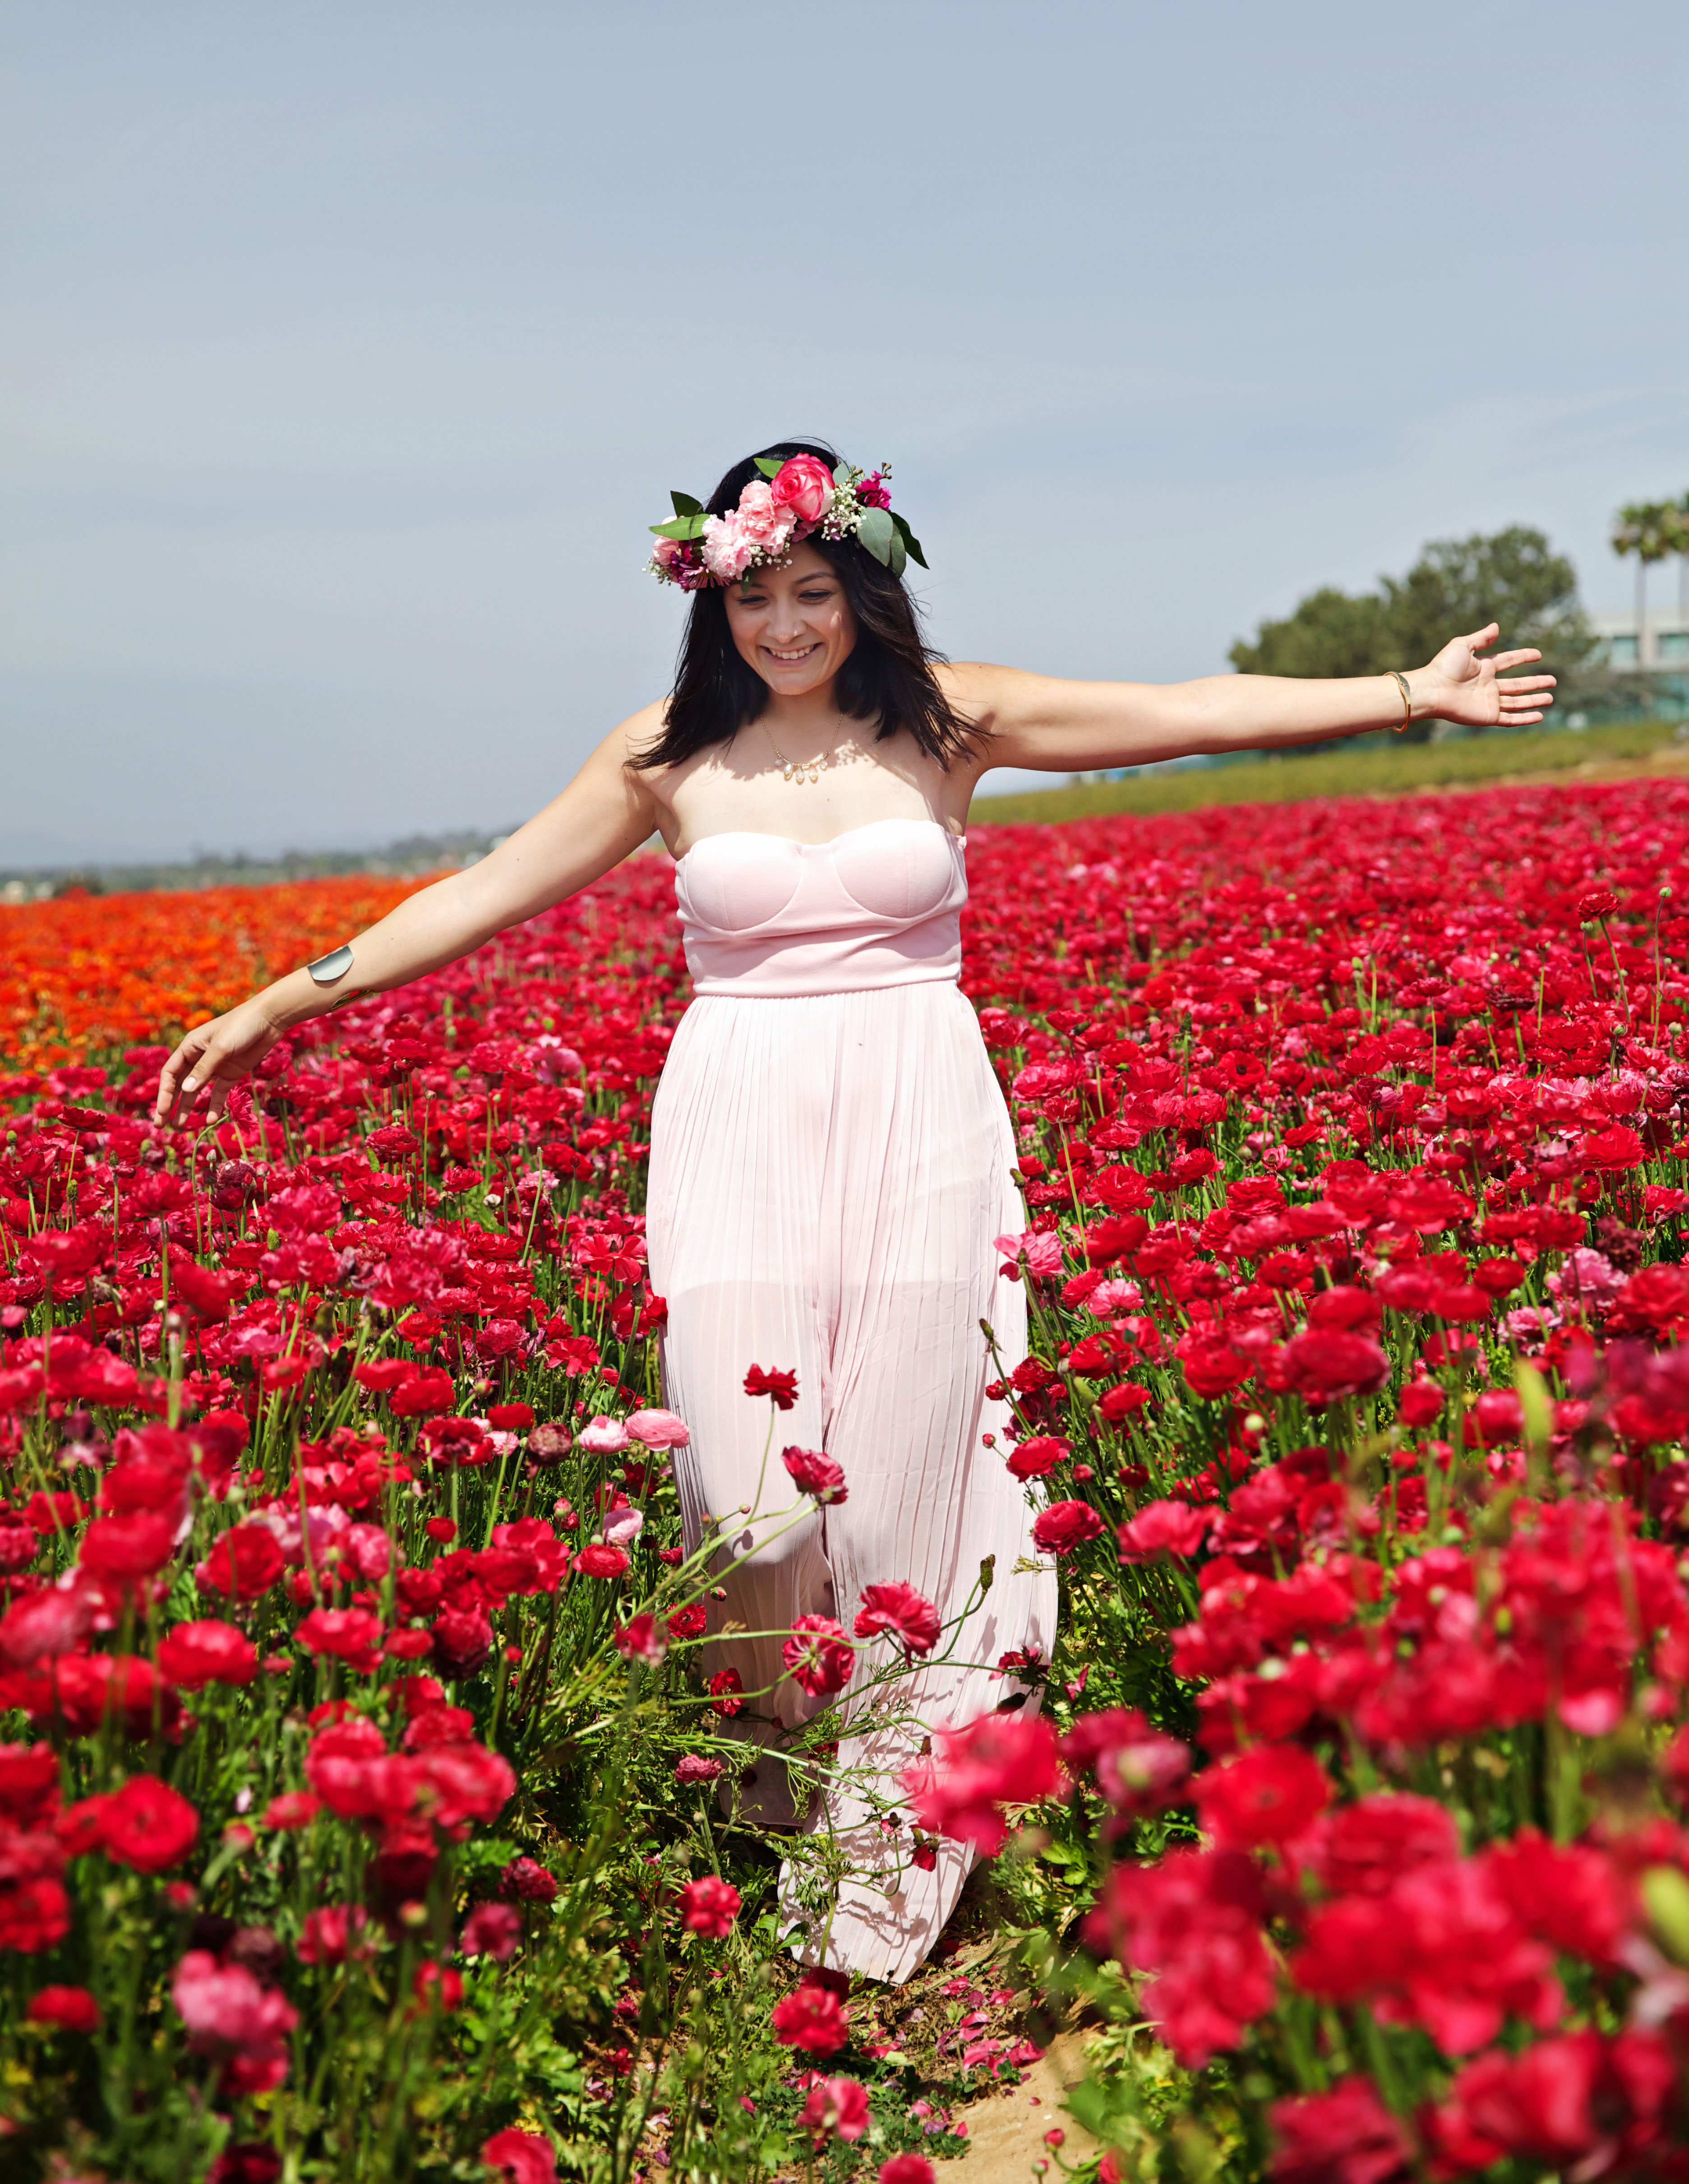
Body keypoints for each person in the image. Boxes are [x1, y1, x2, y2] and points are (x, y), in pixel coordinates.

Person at [154, 438, 1556, 1981]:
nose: (786, 626)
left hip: (920, 1123)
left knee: (894, 1505)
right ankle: (769, 1791)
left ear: (862, 590)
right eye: (756, 597)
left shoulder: (946, 722)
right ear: (712, 600)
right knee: (751, 1497)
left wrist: (1410, 694)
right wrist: (282, 1002)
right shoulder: (664, 756)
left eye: (814, 592)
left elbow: (1185, 713)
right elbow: (484, 891)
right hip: (735, 1128)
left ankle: (879, 1868)